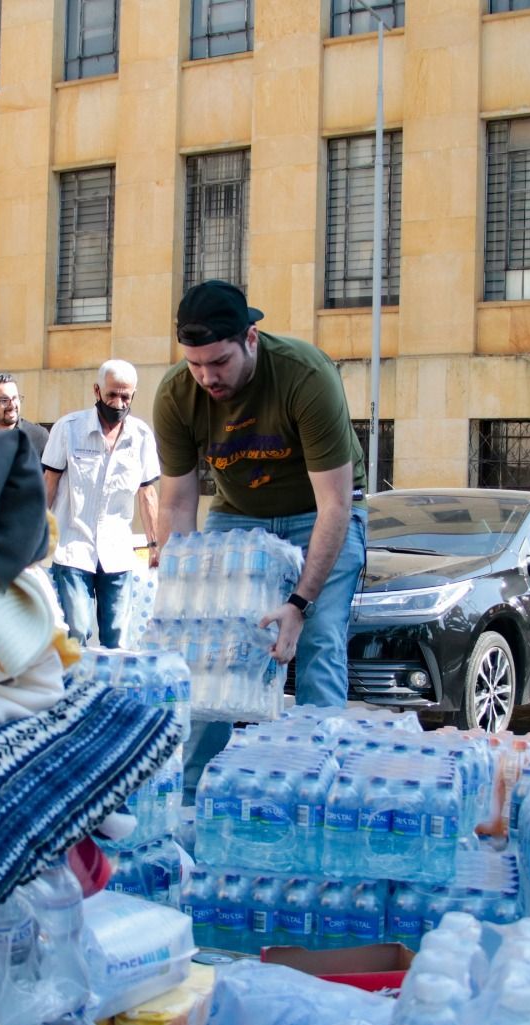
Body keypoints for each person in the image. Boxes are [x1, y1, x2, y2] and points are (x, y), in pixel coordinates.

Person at [154, 279, 368, 707]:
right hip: (238, 514)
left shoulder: (305, 375)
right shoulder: (176, 395)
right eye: (195, 364)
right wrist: (184, 593)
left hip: (317, 513)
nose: (207, 377)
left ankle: (318, 746)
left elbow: (335, 503)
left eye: (220, 361)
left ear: (250, 338)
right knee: (209, 644)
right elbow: (176, 503)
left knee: (320, 636)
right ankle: (200, 754)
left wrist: (299, 604)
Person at [42, 360, 160, 648]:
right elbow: (49, 483)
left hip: (118, 552)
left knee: (117, 638)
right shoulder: (68, 429)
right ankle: (75, 678)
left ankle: (111, 679)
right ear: (97, 391)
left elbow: (147, 493)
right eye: (112, 395)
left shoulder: (141, 436)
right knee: (77, 630)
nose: (118, 403)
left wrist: (155, 544)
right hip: (72, 547)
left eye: (126, 396)